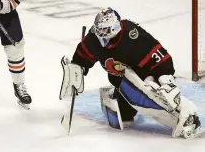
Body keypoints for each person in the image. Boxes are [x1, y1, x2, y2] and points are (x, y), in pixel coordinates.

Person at [59, 7, 202, 138]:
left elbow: (159, 57)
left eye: (105, 31)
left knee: (154, 94)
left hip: (144, 74)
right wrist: (77, 70)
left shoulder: (132, 36)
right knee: (124, 117)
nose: (100, 35)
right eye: (99, 30)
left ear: (115, 29)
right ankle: (116, 95)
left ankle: (187, 113)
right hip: (120, 81)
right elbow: (82, 56)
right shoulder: (94, 38)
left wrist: (165, 79)